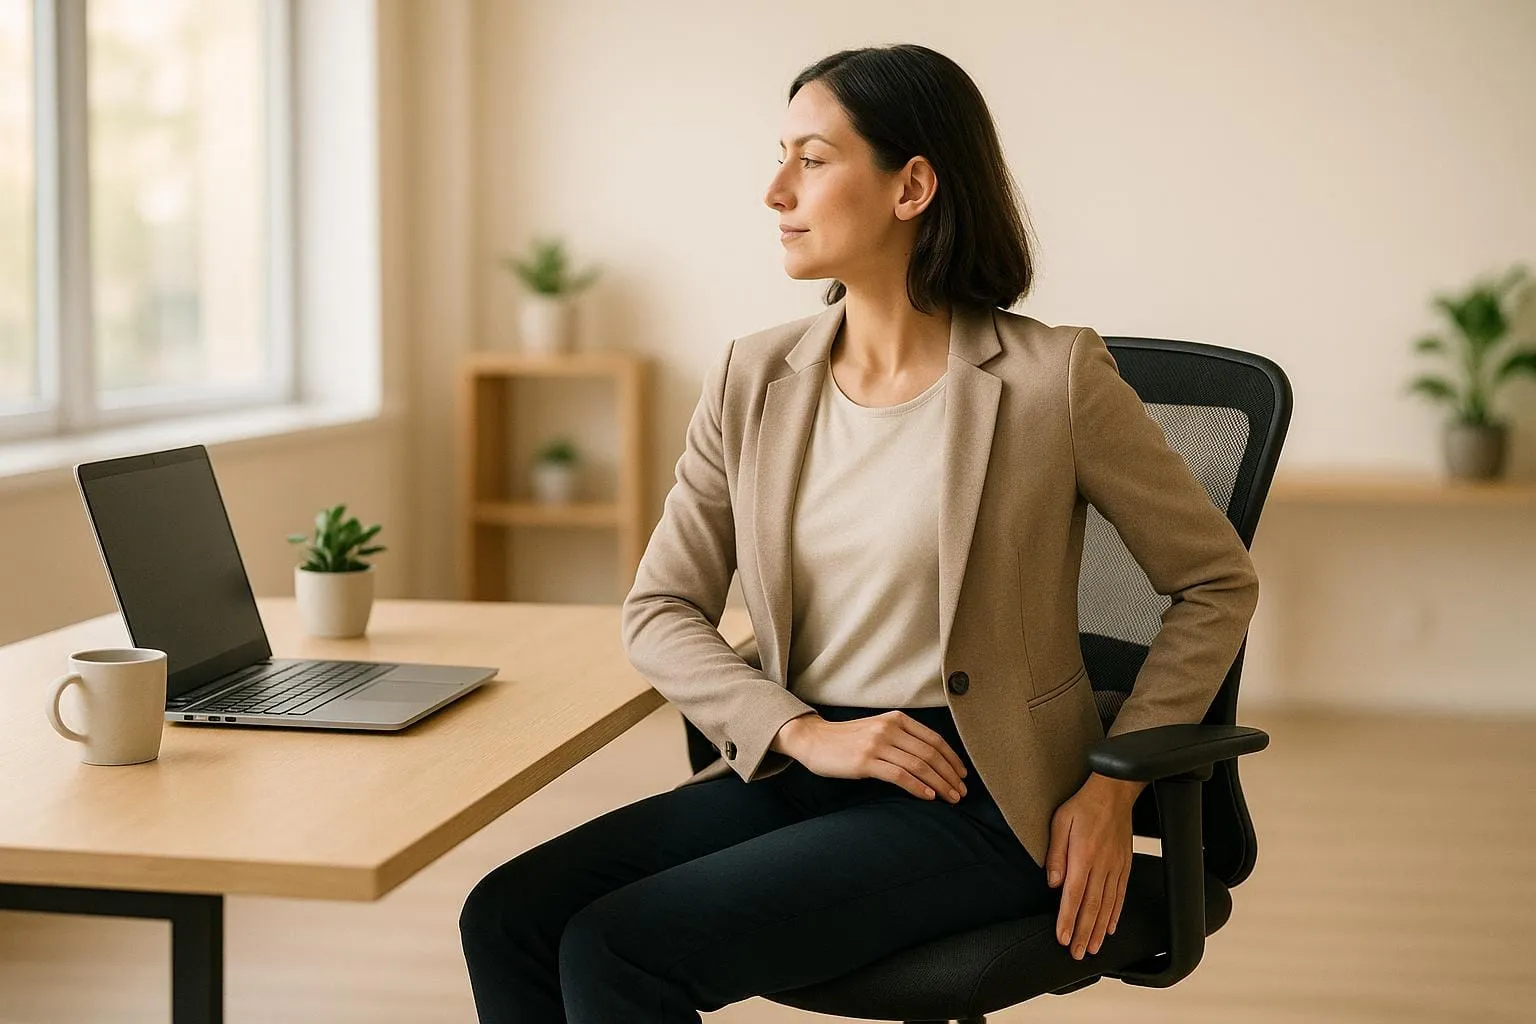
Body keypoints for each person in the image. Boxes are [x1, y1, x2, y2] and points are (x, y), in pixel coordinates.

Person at [459, 43, 1258, 1023]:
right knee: (508, 916)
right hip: (814, 758)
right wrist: (800, 731)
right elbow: (660, 606)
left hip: (985, 798)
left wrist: (1110, 788)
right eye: (779, 155)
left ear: (912, 185)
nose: (774, 190)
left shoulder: (1054, 381)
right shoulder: (753, 378)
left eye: (812, 158)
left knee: (620, 948)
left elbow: (1215, 582)